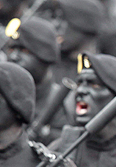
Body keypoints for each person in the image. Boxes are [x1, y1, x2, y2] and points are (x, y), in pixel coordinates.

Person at [6, 16, 70, 145]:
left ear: (46, 56)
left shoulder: (64, 105)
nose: (13, 57)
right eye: (12, 49)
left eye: (24, 51)